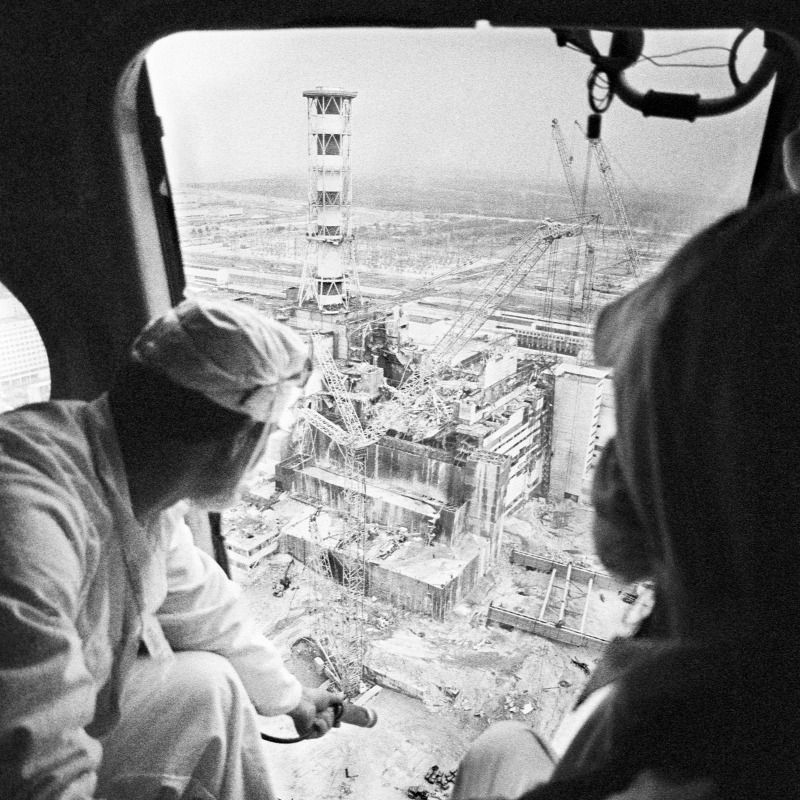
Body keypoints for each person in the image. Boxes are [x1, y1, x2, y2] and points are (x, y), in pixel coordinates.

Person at [452, 189, 800, 798]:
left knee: (497, 751)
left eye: (632, 418)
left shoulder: (667, 748)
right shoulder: (754, 672)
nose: (610, 467)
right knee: (503, 748)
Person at [0, 298, 343, 799]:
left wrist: (292, 699)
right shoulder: (27, 524)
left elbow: (205, 607)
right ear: (237, 442)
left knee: (207, 685)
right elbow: (32, 765)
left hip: (64, 719)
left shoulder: (135, 487)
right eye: (269, 435)